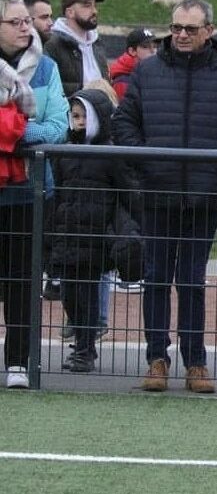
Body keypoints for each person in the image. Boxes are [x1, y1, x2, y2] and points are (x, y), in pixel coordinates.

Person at [113, 0, 217, 394]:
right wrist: (146, 162)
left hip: (204, 195)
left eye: (190, 29)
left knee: (192, 280)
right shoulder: (148, 70)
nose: (180, 35)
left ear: (209, 31)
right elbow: (124, 121)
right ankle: (156, 358)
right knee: (156, 276)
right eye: (176, 27)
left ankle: (195, 361)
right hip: (157, 192)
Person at [0, 0, 70, 389]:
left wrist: (11, 133)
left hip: (30, 192)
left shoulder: (46, 68)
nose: (25, 27)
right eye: (15, 22)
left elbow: (58, 127)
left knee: (22, 282)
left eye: (27, 20)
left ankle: (18, 362)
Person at [48, 87, 139, 373]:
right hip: (67, 233)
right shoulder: (64, 152)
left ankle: (85, 348)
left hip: (95, 235)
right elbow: (58, 191)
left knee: (87, 293)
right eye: (75, 116)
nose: (79, 122)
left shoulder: (110, 154)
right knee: (68, 294)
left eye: (85, 116)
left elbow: (128, 192)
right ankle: (81, 342)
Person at [44, 0, 109, 96]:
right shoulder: (53, 44)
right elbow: (50, 87)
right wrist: (86, 90)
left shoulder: (96, 42)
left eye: (95, 6)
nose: (95, 11)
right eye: (87, 6)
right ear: (70, 12)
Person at [109, 27, 156, 100]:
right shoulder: (123, 82)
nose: (153, 51)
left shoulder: (153, 70)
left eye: (155, 46)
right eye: (146, 47)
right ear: (132, 51)